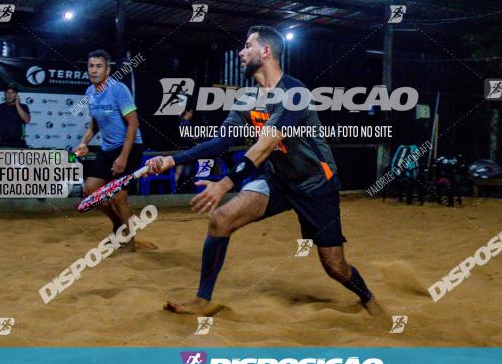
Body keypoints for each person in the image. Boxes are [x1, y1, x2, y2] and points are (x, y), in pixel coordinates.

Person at [144, 26, 380, 315]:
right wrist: (173, 160)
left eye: (247, 46)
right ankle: (202, 300)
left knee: (335, 267)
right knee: (221, 220)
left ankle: (367, 298)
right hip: (278, 180)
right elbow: (222, 141)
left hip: (316, 185)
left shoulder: (295, 92)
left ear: (265, 51)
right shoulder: (247, 100)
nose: (241, 53)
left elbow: (265, 146)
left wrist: (226, 183)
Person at [73, 50, 144, 250]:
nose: (94, 70)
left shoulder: (118, 89)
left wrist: (123, 157)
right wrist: (84, 142)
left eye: (99, 66)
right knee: (90, 192)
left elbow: (133, 123)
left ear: (108, 70)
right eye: (91, 66)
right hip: (107, 149)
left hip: (130, 147)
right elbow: (95, 124)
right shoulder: (90, 93)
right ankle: (118, 223)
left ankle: (129, 240)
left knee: (118, 196)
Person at [0, 83, 30, 148]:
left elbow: (27, 120)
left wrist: (17, 104)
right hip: (2, 143)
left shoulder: (23, 107)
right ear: (4, 94)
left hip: (19, 143)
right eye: (7, 92)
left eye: (12, 92)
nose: (10, 95)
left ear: (16, 94)